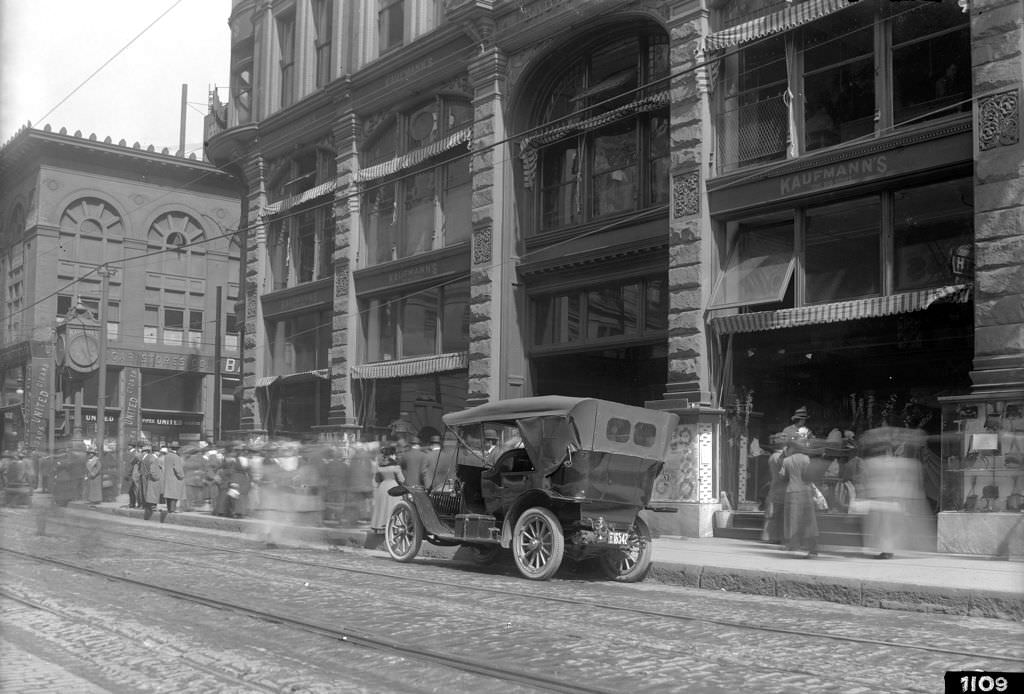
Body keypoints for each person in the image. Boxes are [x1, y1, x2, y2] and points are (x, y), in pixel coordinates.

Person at [860, 426, 932, 559]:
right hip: (889, 497)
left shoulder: (880, 462)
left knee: (887, 526)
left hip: (887, 496)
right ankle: (887, 549)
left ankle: (887, 550)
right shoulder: (903, 463)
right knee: (888, 526)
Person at [778, 429, 819, 558]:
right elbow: (809, 475)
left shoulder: (787, 461)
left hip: (791, 492)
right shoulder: (806, 459)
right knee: (809, 520)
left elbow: (782, 477)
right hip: (805, 491)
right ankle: (812, 547)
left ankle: (793, 544)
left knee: (792, 519)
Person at [370, 443, 405, 534]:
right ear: (392, 455)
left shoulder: (379, 467)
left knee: (382, 507)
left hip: (382, 487)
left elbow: (376, 481)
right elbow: (402, 480)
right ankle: (394, 526)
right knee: (393, 507)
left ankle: (380, 526)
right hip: (393, 486)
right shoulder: (396, 467)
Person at [763, 446, 787, 545]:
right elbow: (784, 474)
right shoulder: (782, 458)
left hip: (775, 487)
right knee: (780, 514)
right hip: (783, 489)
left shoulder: (773, 456)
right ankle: (778, 537)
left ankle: (771, 537)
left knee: (773, 513)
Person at [139, 444, 163, 520]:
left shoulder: (148, 457)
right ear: (156, 452)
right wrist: (156, 477)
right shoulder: (153, 458)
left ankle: (147, 505)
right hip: (152, 478)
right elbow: (152, 470)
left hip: (147, 476)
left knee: (148, 492)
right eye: (159, 452)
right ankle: (151, 507)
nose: (159, 453)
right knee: (152, 493)